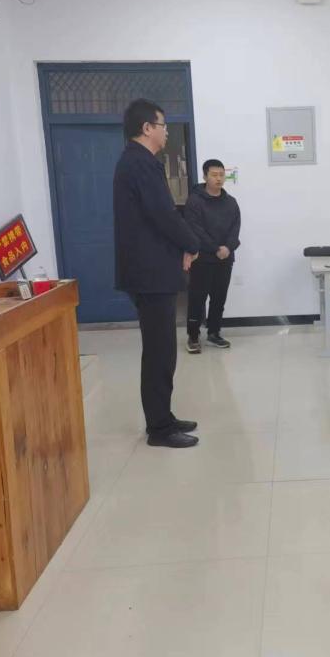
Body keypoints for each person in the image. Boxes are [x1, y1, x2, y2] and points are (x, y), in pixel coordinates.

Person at [113, 99, 202, 449]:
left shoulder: (137, 161)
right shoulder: (140, 163)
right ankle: (159, 428)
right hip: (150, 274)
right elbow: (163, 215)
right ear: (147, 128)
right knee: (159, 352)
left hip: (150, 271)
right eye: (163, 125)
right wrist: (192, 243)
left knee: (161, 350)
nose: (166, 132)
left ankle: (163, 416)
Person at [184, 159, 241, 354]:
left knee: (219, 298)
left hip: (225, 258)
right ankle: (193, 336)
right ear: (205, 176)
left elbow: (235, 228)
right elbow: (195, 229)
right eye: (214, 175)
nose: (218, 179)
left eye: (221, 175)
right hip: (202, 259)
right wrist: (216, 248)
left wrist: (227, 248)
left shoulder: (231, 202)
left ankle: (214, 333)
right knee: (197, 298)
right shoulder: (194, 201)